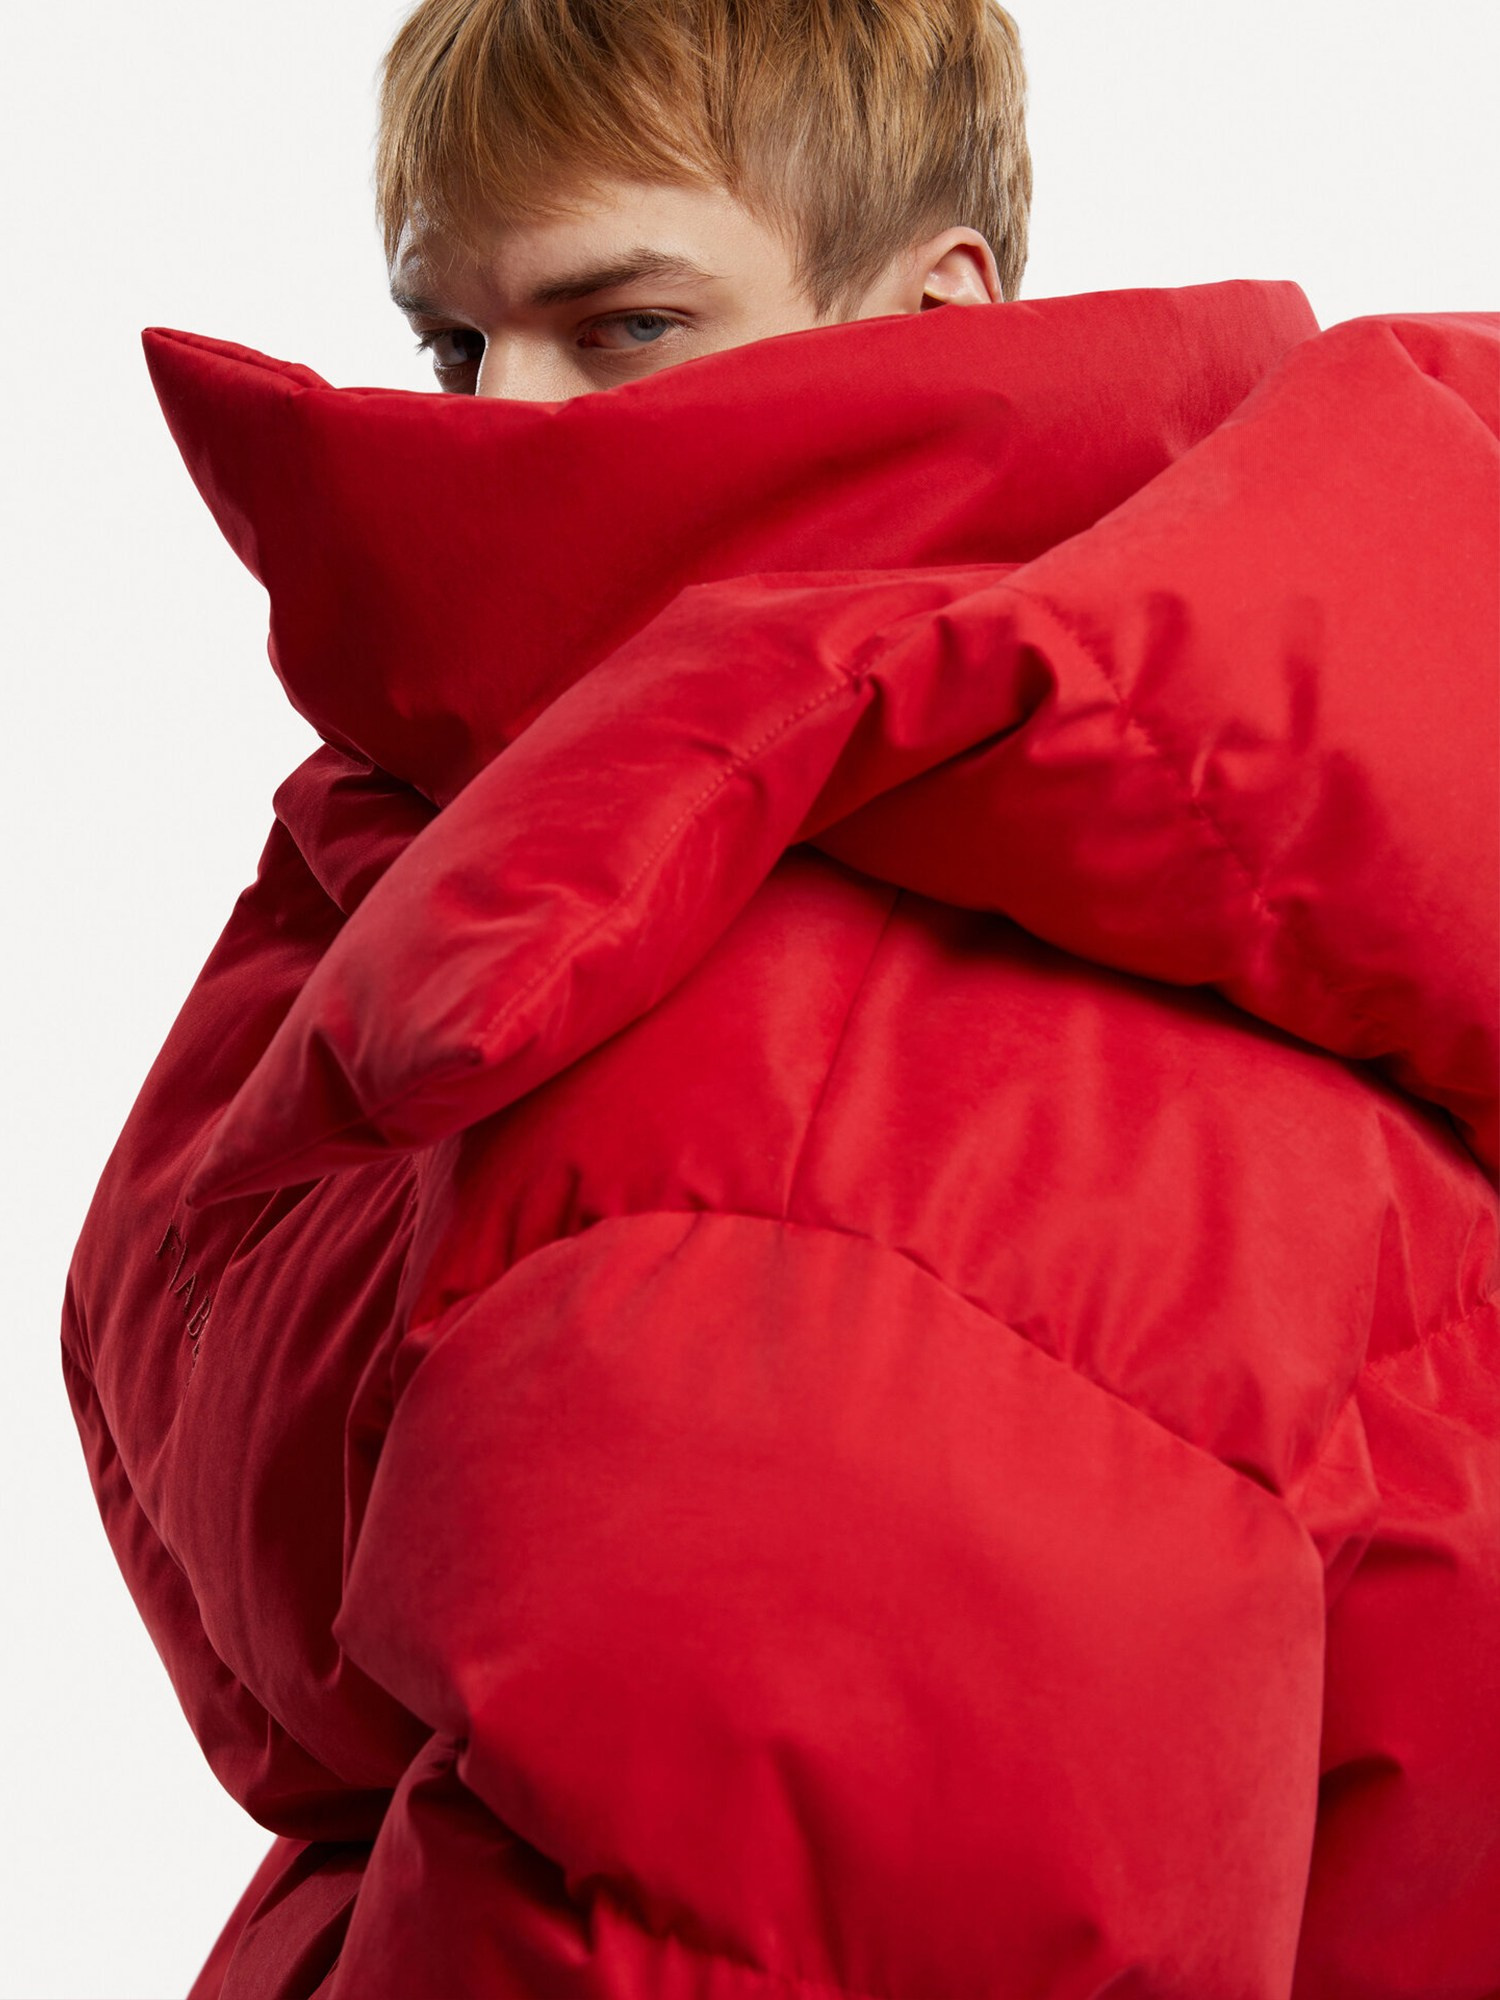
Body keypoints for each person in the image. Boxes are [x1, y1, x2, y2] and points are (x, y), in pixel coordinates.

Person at [62, 2, 1499, 1996]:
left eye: (625, 324)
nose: (499, 425)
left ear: (935, 308)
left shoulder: (824, 1090)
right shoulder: (651, 885)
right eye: (455, 343)